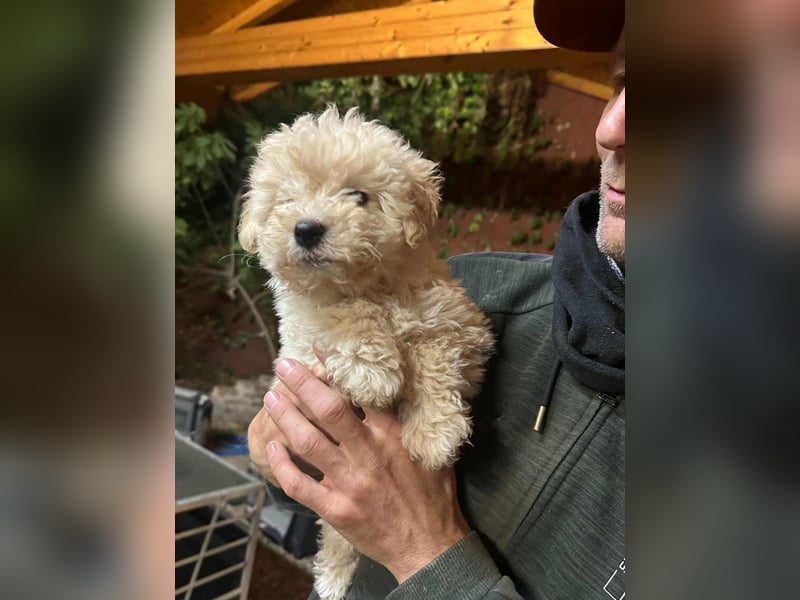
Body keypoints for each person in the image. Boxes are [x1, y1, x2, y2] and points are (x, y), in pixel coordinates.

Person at [247, 0, 625, 597]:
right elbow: (296, 457)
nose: (611, 127)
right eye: (623, 82)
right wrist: (277, 455)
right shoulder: (489, 287)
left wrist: (426, 553)